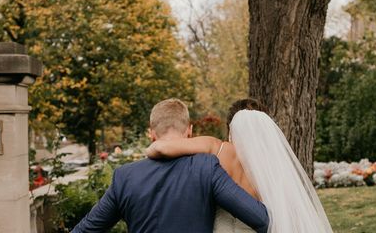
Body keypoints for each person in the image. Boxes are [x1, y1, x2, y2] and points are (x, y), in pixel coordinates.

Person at [71, 98, 269, 233]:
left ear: (151, 133)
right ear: (189, 130)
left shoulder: (124, 177)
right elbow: (260, 218)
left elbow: (85, 229)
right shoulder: (207, 167)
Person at [147, 98, 333, 233]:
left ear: (231, 131)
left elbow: (162, 147)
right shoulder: (278, 168)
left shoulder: (220, 150)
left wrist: (150, 150)